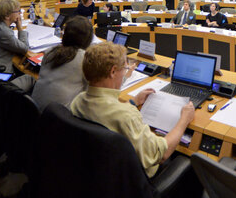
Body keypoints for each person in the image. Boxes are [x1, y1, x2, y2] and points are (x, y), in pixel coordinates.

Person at [70, 42, 195, 178]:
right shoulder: (126, 116)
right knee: (185, 160)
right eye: (124, 68)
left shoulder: (78, 101)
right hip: (133, 182)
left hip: (96, 172)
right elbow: (161, 154)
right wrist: (184, 120)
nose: (125, 72)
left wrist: (133, 102)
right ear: (112, 72)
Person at [31, 16, 93, 111]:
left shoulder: (50, 51)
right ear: (88, 39)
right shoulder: (84, 59)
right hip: (59, 118)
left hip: (34, 110)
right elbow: (93, 90)